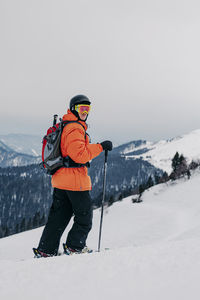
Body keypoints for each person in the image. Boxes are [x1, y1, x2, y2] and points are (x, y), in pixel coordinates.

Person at [33, 95, 112, 257]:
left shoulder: (67, 125)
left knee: (58, 218)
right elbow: (79, 155)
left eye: (87, 109)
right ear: (73, 109)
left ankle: (45, 250)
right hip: (75, 182)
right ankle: (75, 247)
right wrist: (100, 147)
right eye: (81, 108)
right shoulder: (75, 127)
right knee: (84, 218)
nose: (85, 112)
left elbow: (74, 150)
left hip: (61, 180)